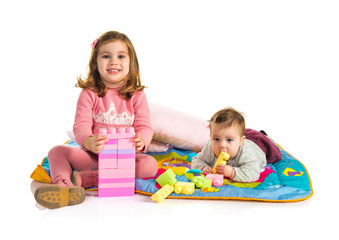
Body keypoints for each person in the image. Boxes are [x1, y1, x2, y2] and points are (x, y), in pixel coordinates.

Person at [34, 31, 158, 209]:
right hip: (94, 156)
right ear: (96, 63)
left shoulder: (136, 94)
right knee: (56, 152)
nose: (113, 61)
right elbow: (81, 125)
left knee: (150, 164)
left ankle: (88, 178)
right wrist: (88, 141)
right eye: (106, 56)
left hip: (123, 158)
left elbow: (145, 126)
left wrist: (142, 140)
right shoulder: (90, 92)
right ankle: (62, 186)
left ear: (131, 63)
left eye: (121, 56)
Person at [191, 107, 267, 182]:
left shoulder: (246, 153)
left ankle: (264, 134)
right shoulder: (209, 148)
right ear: (210, 138)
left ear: (241, 141)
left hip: (257, 146)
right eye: (216, 139)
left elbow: (253, 173)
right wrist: (203, 167)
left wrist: (232, 172)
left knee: (264, 140)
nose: (222, 145)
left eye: (229, 140)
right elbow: (196, 160)